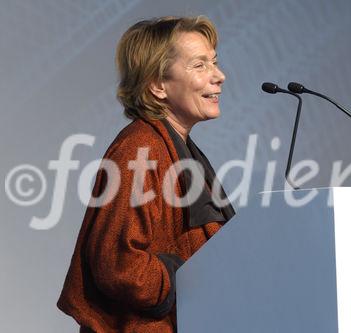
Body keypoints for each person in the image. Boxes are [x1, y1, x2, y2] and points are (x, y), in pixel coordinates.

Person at [57, 16, 235, 333]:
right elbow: (118, 265)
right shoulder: (140, 151)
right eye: (200, 66)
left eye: (215, 63)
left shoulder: (176, 148)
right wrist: (187, 277)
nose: (219, 76)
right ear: (157, 85)